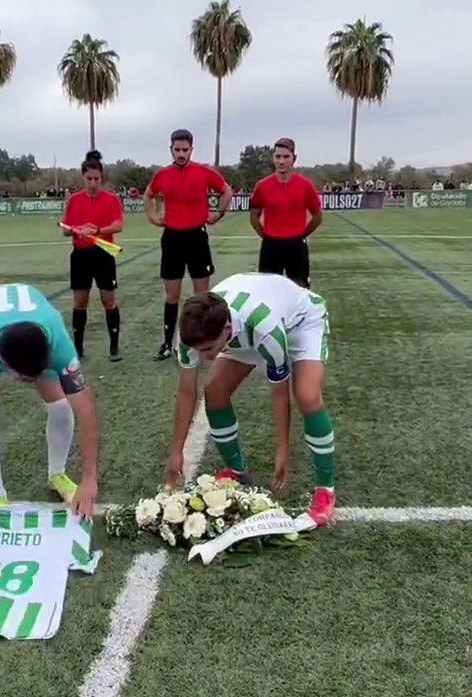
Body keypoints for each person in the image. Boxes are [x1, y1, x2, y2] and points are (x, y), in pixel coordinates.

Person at [164, 272, 337, 527]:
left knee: (307, 395)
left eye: (207, 350)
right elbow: (187, 392)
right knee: (215, 392)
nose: (202, 357)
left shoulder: (264, 328)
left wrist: (282, 452)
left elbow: (280, 393)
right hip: (244, 330)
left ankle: (326, 489)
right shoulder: (193, 332)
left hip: (299, 322)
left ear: (225, 330)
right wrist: (176, 451)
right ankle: (237, 472)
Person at [0, 283, 100, 519]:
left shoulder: (57, 341)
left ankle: (57, 475)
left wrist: (90, 478)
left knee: (61, 406)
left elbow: (86, 408)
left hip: (30, 324)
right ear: (5, 363)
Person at [143, 129, 233, 361]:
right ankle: (167, 344)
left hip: (196, 237)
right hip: (172, 238)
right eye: (177, 149)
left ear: (191, 149)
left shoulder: (203, 172)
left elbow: (226, 191)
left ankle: (206, 341)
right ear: (171, 149)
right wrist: (153, 217)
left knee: (202, 295)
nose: (181, 154)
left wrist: (218, 213)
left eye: (185, 149)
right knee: (172, 295)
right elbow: (148, 195)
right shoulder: (163, 175)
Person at [61, 150, 124, 361]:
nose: (93, 183)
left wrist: (98, 231)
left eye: (97, 179)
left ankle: (114, 346)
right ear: (83, 178)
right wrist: (79, 229)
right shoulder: (74, 200)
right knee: (80, 302)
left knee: (109, 301)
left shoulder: (111, 199)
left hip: (104, 252)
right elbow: (65, 228)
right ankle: (78, 349)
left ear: (102, 178)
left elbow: (118, 225)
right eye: (89, 179)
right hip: (80, 255)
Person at [249, 138, 323, 288]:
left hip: (296, 246)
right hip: (271, 246)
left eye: (286, 157)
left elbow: (317, 216)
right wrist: (267, 235)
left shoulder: (305, 185)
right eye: (278, 157)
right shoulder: (262, 186)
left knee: (300, 291)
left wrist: (302, 233)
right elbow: (254, 216)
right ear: (273, 158)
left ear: (294, 159)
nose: (281, 161)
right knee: (268, 291)